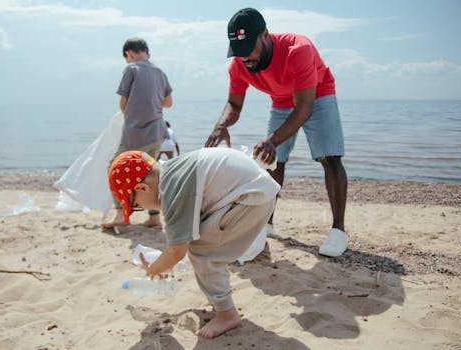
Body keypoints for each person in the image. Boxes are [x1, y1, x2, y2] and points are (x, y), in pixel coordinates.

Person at [205, 8, 348, 257]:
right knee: (271, 163)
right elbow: (235, 104)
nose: (245, 58)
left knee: (330, 158)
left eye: (249, 48)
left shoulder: (298, 49)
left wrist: (272, 140)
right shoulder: (239, 65)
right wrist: (221, 126)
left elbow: (304, 106)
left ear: (265, 35)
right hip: (281, 101)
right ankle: (266, 222)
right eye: (238, 52)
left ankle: (338, 230)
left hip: (317, 94)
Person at [108, 148, 280, 338]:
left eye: (136, 206)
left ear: (143, 189)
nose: (140, 208)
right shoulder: (172, 172)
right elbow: (184, 235)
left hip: (250, 198)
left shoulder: (172, 192)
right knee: (203, 241)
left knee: (204, 253)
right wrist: (167, 263)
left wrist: (156, 268)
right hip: (254, 190)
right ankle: (218, 298)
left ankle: (227, 314)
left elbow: (177, 251)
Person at [103, 37, 173, 229]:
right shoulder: (159, 72)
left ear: (129, 54)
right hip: (157, 133)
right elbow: (168, 102)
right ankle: (154, 217)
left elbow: (123, 104)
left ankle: (120, 213)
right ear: (146, 52)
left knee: (114, 169)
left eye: (127, 58)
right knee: (151, 173)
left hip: (136, 133)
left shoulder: (131, 69)